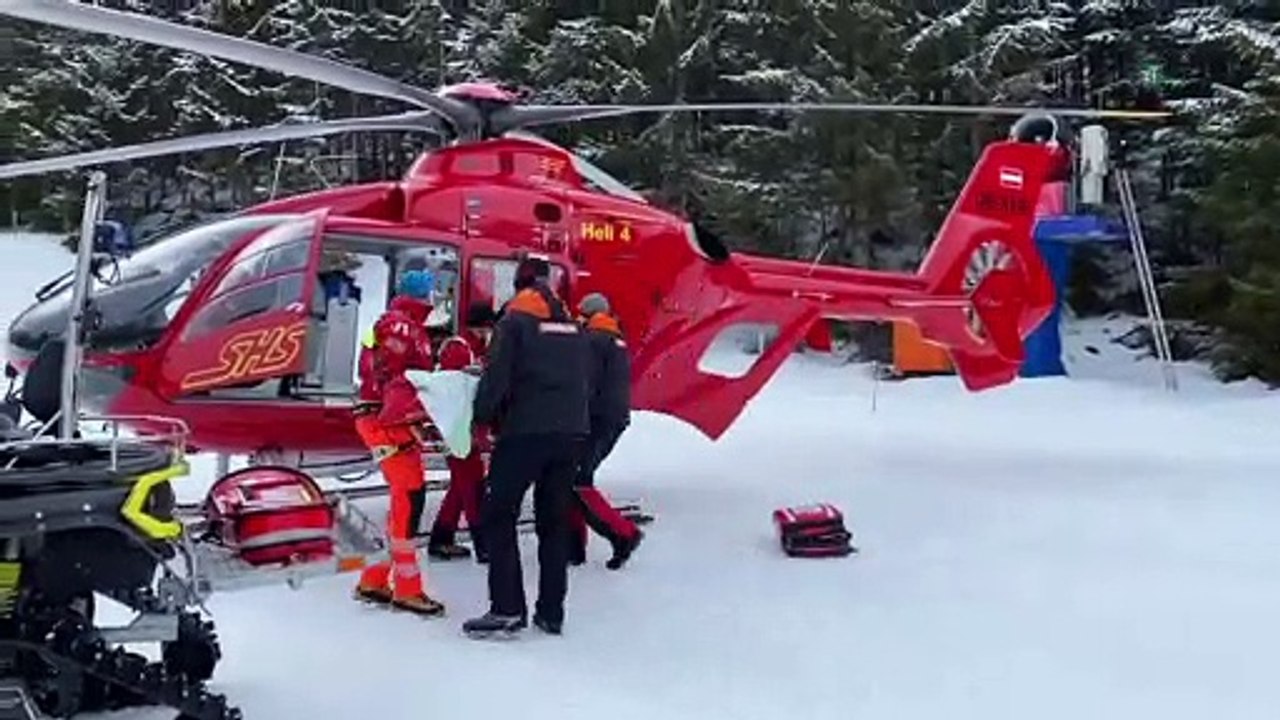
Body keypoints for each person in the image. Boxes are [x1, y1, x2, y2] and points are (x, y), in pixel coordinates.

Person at [462, 258, 589, 638]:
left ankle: (506, 608)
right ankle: (551, 611)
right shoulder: (573, 325)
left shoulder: (514, 321)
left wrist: (479, 416)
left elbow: (497, 377)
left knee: (499, 514)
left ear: (518, 284)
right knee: (553, 521)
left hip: (525, 431)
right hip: (571, 432)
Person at [350, 268, 445, 617]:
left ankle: (373, 580)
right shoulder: (403, 328)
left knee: (402, 500)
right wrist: (413, 415)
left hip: (383, 419)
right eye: (431, 292)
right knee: (408, 501)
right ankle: (408, 590)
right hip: (387, 422)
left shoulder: (392, 323)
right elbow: (396, 378)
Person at [570, 293, 644, 570]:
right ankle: (573, 546)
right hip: (613, 418)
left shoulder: (593, 340)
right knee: (574, 480)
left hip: (596, 418)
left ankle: (624, 534)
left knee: (577, 481)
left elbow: (585, 383)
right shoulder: (615, 338)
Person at [426, 302, 498, 562]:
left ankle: (441, 538)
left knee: (461, 484)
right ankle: (483, 544)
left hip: (462, 427)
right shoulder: (459, 348)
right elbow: (456, 391)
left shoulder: (472, 348)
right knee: (472, 485)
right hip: (458, 428)